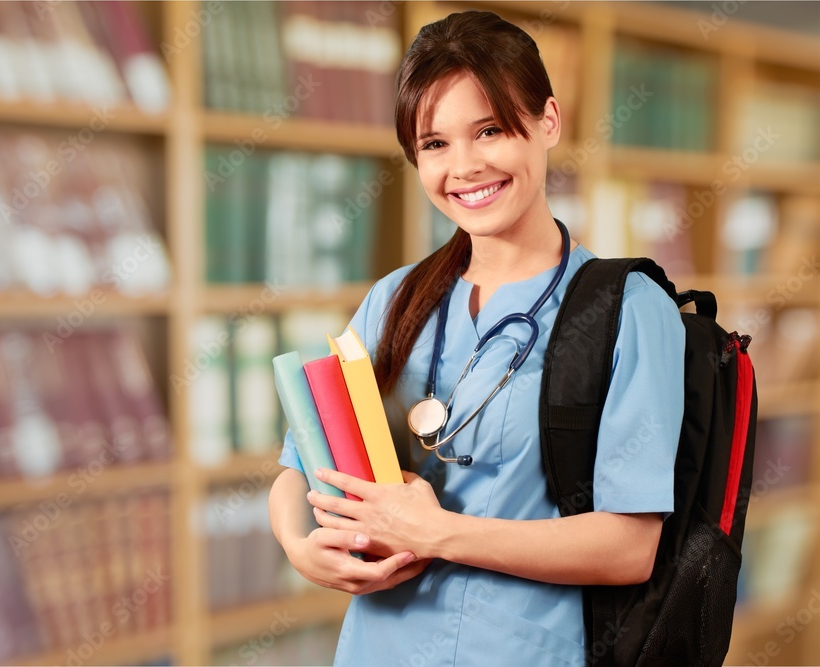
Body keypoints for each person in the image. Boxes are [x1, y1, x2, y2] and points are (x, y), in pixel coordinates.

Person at [268, 10, 685, 667]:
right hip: (378, 646)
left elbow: (629, 547)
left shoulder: (629, 309)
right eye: (433, 144)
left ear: (548, 120)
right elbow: (300, 465)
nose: (462, 167)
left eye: (487, 130)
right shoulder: (395, 298)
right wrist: (300, 546)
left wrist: (438, 533)